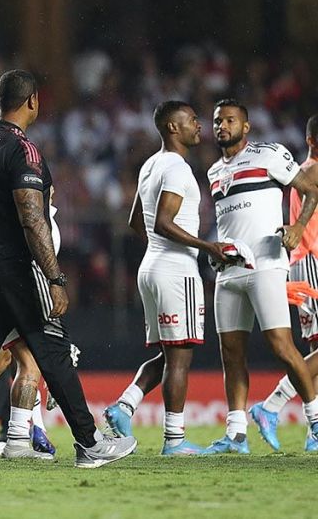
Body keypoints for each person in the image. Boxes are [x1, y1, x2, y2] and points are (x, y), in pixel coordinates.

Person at [0, 71, 136, 468]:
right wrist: (55, 277)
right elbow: (31, 218)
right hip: (16, 266)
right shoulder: (23, 150)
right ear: (33, 102)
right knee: (53, 352)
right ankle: (90, 445)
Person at [103, 101, 231, 455]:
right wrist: (207, 246)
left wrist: (160, 248)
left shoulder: (150, 165)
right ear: (173, 128)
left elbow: (136, 222)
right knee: (180, 357)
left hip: (153, 266)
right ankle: (174, 440)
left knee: (168, 352)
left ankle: (123, 406)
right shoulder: (177, 168)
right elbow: (162, 222)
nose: (198, 125)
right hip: (176, 269)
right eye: (191, 120)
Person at [204, 99, 318, 453]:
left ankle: (315, 421)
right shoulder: (213, 172)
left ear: (246, 126)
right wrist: (213, 250)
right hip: (229, 271)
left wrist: (298, 227)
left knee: (282, 347)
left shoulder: (270, 154)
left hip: (267, 264)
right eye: (218, 121)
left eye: (230, 120)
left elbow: (310, 189)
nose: (222, 125)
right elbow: (227, 221)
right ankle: (236, 434)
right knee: (231, 353)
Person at [251, 114, 318, 453]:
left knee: (315, 353)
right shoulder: (312, 171)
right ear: (311, 141)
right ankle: (271, 406)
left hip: (306, 263)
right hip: (311, 263)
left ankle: (313, 431)